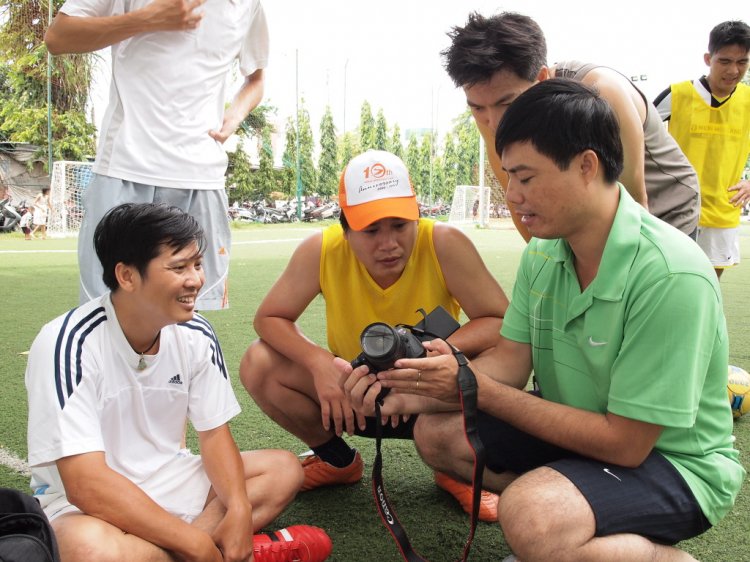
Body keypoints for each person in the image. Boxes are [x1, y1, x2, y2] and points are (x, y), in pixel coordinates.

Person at [339, 80, 745, 562]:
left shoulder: (670, 272)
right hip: (585, 435)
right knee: (439, 433)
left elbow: (627, 443)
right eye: (509, 177)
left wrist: (475, 387)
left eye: (526, 178)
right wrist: (414, 389)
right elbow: (510, 361)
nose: (512, 196)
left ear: (586, 166)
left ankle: (644, 553)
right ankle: (566, 531)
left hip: (673, 463)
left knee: (532, 516)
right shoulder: (546, 252)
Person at [26, 203, 331, 562]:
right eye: (179, 267)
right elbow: (85, 484)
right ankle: (222, 552)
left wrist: (238, 508)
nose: (196, 280)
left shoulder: (195, 332)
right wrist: (197, 542)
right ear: (126, 276)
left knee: (282, 469)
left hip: (170, 477)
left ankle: (190, 551)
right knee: (87, 548)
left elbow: (214, 436)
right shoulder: (68, 343)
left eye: (197, 264)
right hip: (90, 503)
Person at [240, 150, 509, 521]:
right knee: (259, 362)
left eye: (400, 225)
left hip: (432, 396)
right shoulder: (322, 249)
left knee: (495, 364)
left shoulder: (443, 242)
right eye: (371, 230)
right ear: (346, 229)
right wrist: (319, 364)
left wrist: (438, 352)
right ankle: (338, 462)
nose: (389, 244)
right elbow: (269, 318)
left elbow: (500, 321)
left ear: (417, 216)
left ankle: (454, 469)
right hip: (355, 397)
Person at [44, 0, 269, 310]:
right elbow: (58, 37)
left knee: (190, 316)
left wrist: (236, 113)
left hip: (202, 178)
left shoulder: (248, 4)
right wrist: (147, 19)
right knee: (107, 313)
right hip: (126, 168)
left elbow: (255, 79)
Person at [443, 11, 701, 241]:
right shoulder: (491, 114)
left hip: (665, 202)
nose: (494, 123)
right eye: (477, 107)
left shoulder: (602, 92)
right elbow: (518, 198)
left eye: (507, 103)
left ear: (541, 77)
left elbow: (634, 201)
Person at [654, 20, 750, 279]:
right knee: (665, 278)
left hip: (722, 208)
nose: (733, 70)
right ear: (708, 58)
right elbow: (635, 131)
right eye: (725, 61)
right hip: (676, 206)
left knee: (708, 282)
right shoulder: (677, 94)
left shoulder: (748, 99)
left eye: (742, 62)